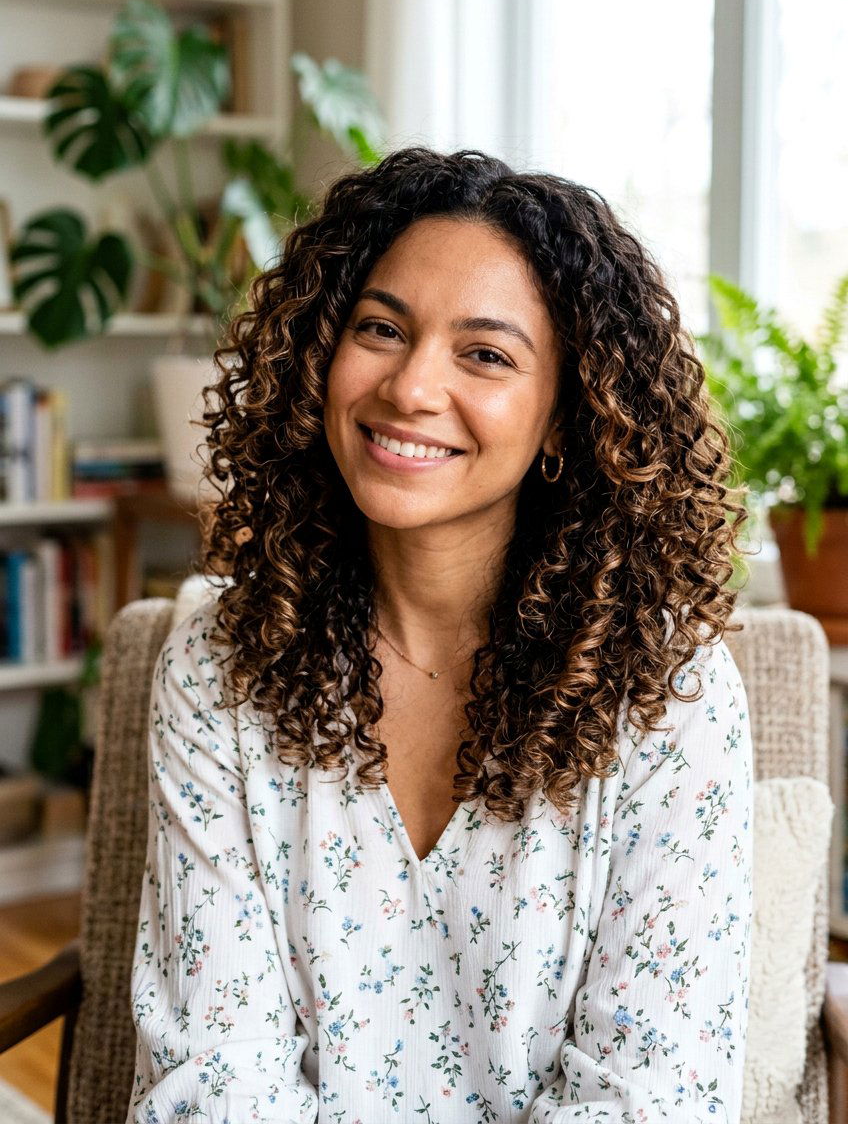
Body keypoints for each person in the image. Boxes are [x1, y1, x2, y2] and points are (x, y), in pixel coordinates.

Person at [126, 146, 754, 1123]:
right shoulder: (220, 652)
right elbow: (214, 1080)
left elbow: (651, 1094)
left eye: (485, 353)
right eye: (381, 328)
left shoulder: (665, 683)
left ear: (562, 416)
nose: (411, 387)